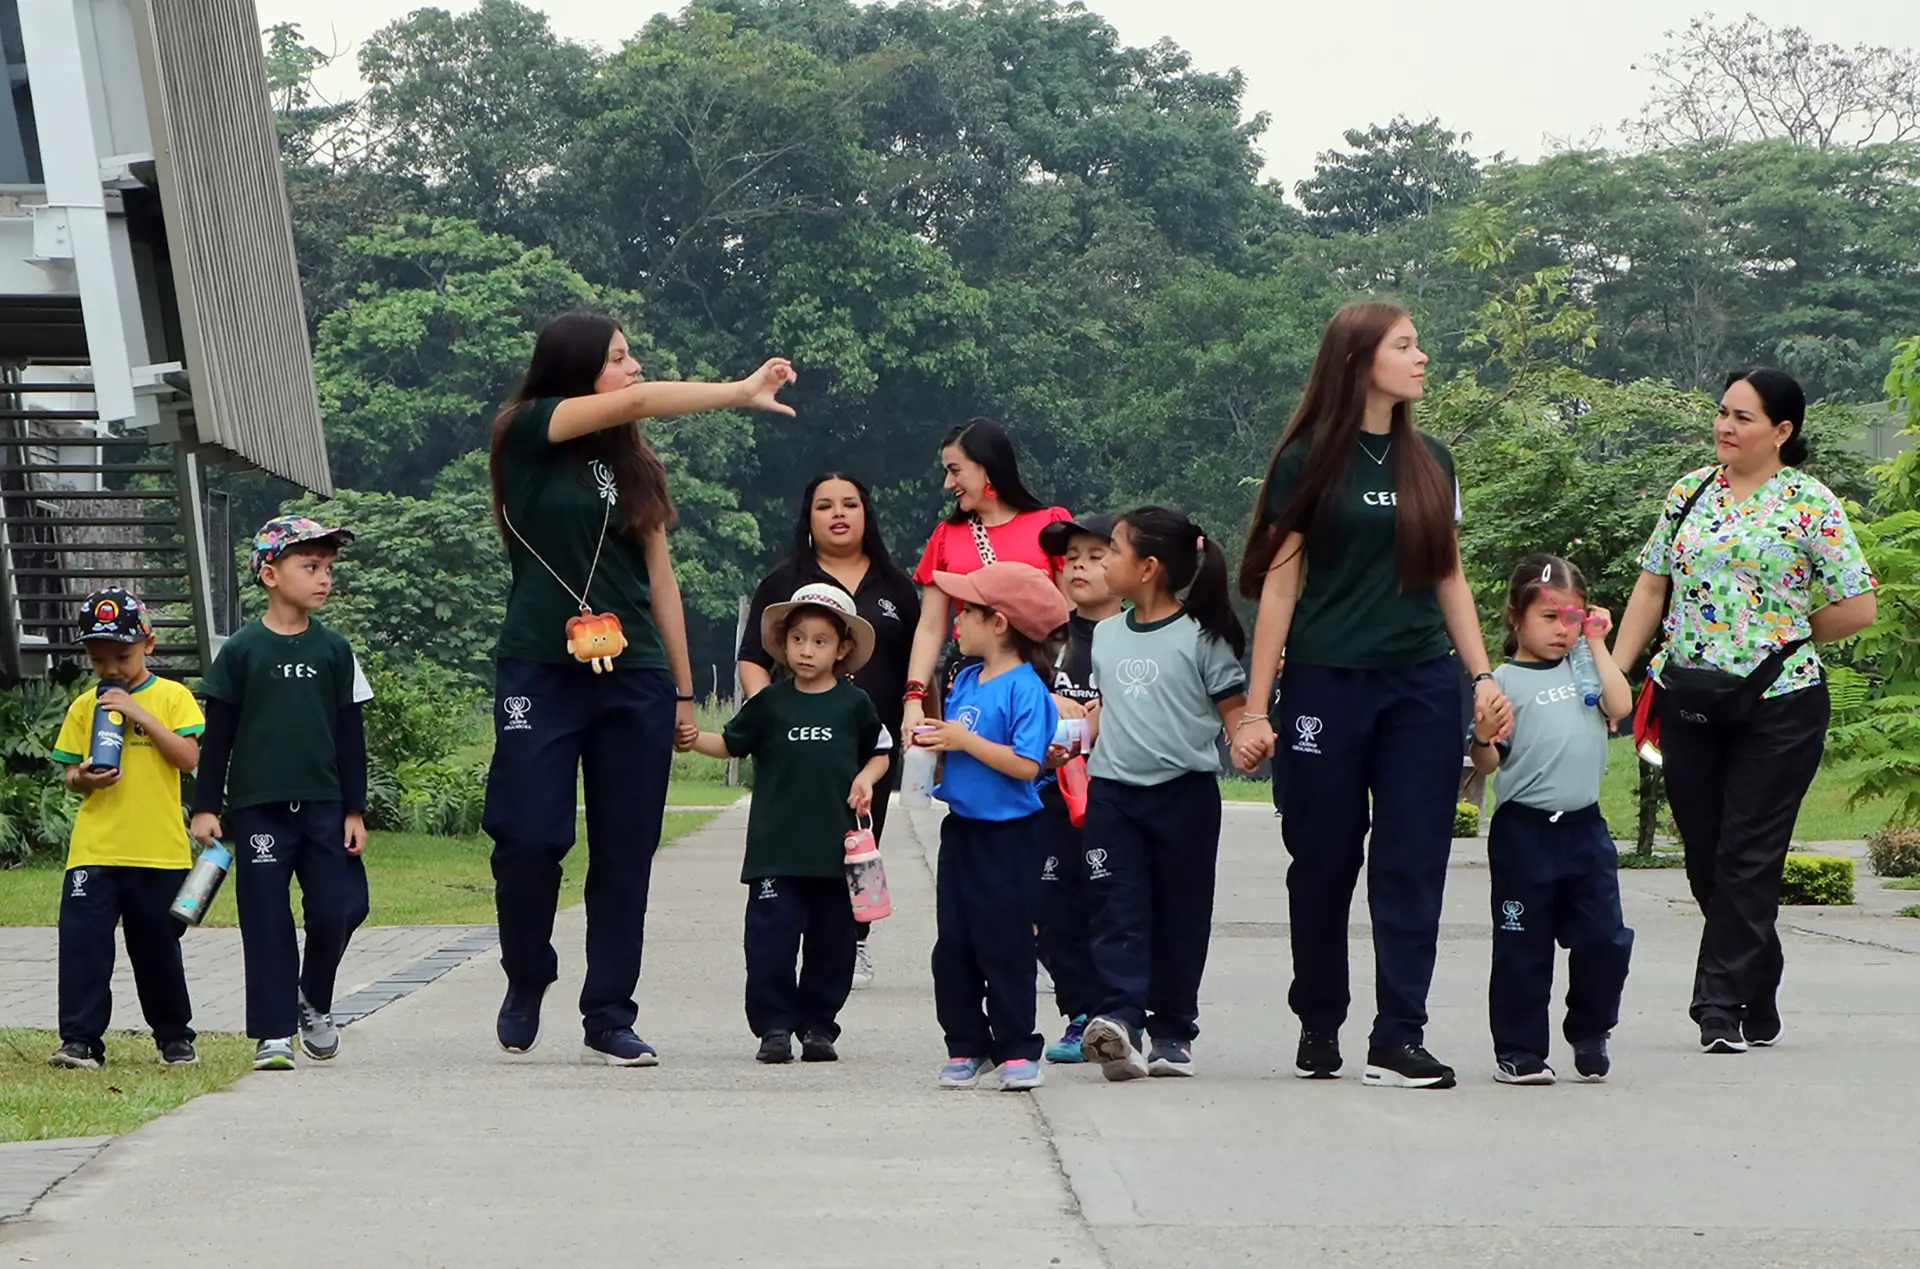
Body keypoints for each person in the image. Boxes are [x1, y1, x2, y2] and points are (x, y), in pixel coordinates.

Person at [483, 310, 795, 1066]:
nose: (632, 369)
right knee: (529, 836)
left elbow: (660, 581)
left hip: (637, 677)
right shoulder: (525, 429)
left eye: (632, 358)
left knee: (625, 852)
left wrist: (685, 692)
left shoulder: (635, 466)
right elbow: (633, 402)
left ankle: (609, 1012)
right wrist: (738, 390)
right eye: (619, 357)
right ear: (576, 367)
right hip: (539, 666)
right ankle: (528, 970)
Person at [1231, 301, 1507, 1091]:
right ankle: (1320, 1017)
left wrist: (1481, 674)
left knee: (1413, 858)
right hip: (1325, 681)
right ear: (1359, 360)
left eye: (1419, 343)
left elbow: (1448, 574)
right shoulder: (1306, 461)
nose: (1422, 357)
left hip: (1421, 683)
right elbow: (1279, 589)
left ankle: (1399, 1034)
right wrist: (1256, 708)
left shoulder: (1434, 461)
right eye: (1406, 345)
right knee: (1322, 858)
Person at [1612, 368, 1876, 1054]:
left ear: (1783, 432)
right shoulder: (1689, 492)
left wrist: (1783, 633)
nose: (1725, 426)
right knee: (1705, 855)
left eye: (1744, 417)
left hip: (1780, 699)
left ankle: (1717, 1006)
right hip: (1688, 695)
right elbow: (1650, 586)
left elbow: (1858, 603)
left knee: (1748, 854)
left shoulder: (1810, 502)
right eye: (1722, 412)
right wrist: (1614, 671)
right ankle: (1759, 978)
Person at [191, 517, 373, 1072]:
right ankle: (272, 1033)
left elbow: (350, 735)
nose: (323, 579)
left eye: (328, 569)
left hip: (324, 806)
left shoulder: (336, 651)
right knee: (266, 917)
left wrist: (354, 809)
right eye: (310, 567)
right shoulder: (242, 651)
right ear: (270, 573)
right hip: (259, 810)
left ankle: (311, 999)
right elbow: (216, 736)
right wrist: (205, 806)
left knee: (342, 907)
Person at [1078, 509, 1248, 1081]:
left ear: (1148, 568)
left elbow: (1234, 713)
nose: (1102, 561)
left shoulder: (1202, 635)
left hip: (1185, 798)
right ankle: (1119, 1022)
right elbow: (1110, 708)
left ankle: (1173, 1031)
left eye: (1113, 551)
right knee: (1113, 909)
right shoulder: (1104, 635)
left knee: (1181, 915)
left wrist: (1249, 737)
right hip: (1113, 797)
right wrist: (1073, 741)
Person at [690, 584, 891, 1064]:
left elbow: (881, 752)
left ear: (842, 649)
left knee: (832, 949)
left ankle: (819, 1027)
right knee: (769, 947)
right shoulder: (770, 704)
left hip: (836, 856)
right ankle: (774, 1028)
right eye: (798, 639)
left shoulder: (854, 704)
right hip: (775, 853)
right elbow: (731, 744)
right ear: (783, 643)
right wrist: (692, 738)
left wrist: (866, 777)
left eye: (820, 641)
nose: (807, 650)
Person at [738, 473, 919, 991]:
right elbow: (752, 659)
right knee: (797, 839)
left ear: (867, 514)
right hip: (795, 745)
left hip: (867, 746)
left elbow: (917, 665)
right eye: (824, 506)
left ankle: (851, 939)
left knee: (861, 837)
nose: (838, 514)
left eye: (850, 504)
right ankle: (789, 934)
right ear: (807, 518)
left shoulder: (895, 587)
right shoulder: (783, 583)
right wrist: (767, 712)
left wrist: (924, 726)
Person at [1470, 556, 1635, 1085]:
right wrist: (1482, 733)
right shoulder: (1502, 681)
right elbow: (1488, 762)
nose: (1563, 630)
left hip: (1585, 829)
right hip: (1525, 832)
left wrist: (1599, 643)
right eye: (1550, 618)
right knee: (1523, 944)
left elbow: (1620, 702)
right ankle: (1519, 1050)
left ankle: (1590, 1029)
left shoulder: (1585, 664)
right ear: (1516, 616)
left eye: (1574, 617)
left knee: (1605, 939)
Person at [916, 562, 1066, 1092]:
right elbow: (958, 746)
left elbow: (1028, 765)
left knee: (1004, 942)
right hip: (963, 832)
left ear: (999, 623)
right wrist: (935, 746)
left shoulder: (1026, 689)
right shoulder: (964, 679)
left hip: (1011, 837)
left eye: (967, 612)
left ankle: (1017, 1048)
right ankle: (965, 1044)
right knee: (953, 945)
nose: (956, 622)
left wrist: (962, 740)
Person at [46, 589, 205, 1070]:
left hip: (158, 850)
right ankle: (79, 1041)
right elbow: (71, 776)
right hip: (95, 848)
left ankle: (174, 1037)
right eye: (98, 659)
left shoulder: (172, 696)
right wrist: (85, 778)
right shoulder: (82, 706)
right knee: (84, 946)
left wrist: (137, 713)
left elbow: (189, 758)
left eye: (123, 656)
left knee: (156, 948)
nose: (110, 668)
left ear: (149, 645)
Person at [900, 418, 1071, 729]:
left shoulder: (1051, 524)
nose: (947, 484)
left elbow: (1069, 617)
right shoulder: (946, 535)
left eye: (955, 471)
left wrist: (1064, 685)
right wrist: (914, 699)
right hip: (971, 674)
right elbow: (930, 628)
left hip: (1039, 673)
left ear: (987, 468)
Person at [1033, 513, 1120, 1063]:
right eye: (1071, 559)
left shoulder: (1135, 637)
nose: (1080, 567)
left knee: (1109, 902)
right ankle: (1078, 1011)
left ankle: (1118, 1009)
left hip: (1113, 790)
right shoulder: (1047, 638)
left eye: (1095, 556)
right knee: (1049, 903)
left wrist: (1109, 713)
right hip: (1047, 792)